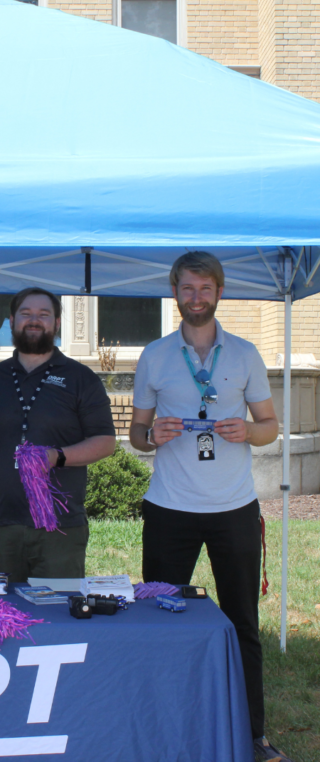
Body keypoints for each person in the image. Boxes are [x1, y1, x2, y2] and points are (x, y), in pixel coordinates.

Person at [128, 251, 290, 762]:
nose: (195, 298)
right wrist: (152, 435)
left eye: (204, 288)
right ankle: (160, 730)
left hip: (233, 509)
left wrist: (250, 431)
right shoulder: (155, 355)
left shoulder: (244, 354)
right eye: (187, 289)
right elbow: (136, 433)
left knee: (242, 624)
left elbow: (270, 427)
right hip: (169, 509)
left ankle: (253, 735)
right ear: (174, 292)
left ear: (219, 292)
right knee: (160, 620)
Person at [0, 288, 116, 582]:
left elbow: (105, 442)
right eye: (26, 314)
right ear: (11, 321)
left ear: (57, 323)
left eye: (43, 315)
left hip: (60, 528)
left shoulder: (81, 378)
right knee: (1, 609)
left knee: (58, 609)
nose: (34, 320)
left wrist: (56, 457)